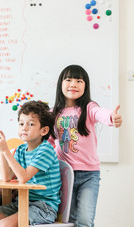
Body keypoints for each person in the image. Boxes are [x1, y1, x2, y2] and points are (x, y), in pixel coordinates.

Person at [50, 65, 122, 227]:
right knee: (68, 221)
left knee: (84, 220)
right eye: (68, 80)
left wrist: (112, 117)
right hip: (63, 174)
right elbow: (47, 142)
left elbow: (101, 113)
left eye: (79, 81)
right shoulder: (52, 113)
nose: (73, 84)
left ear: (85, 86)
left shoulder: (89, 108)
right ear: (60, 84)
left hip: (89, 175)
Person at [0, 101, 62, 227]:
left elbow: (24, 177)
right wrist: (1, 150)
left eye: (30, 124)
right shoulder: (21, 149)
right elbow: (7, 177)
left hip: (44, 207)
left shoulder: (45, 150)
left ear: (44, 130)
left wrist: (6, 151)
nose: (24, 128)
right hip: (22, 202)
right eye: (21, 124)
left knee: (3, 225)